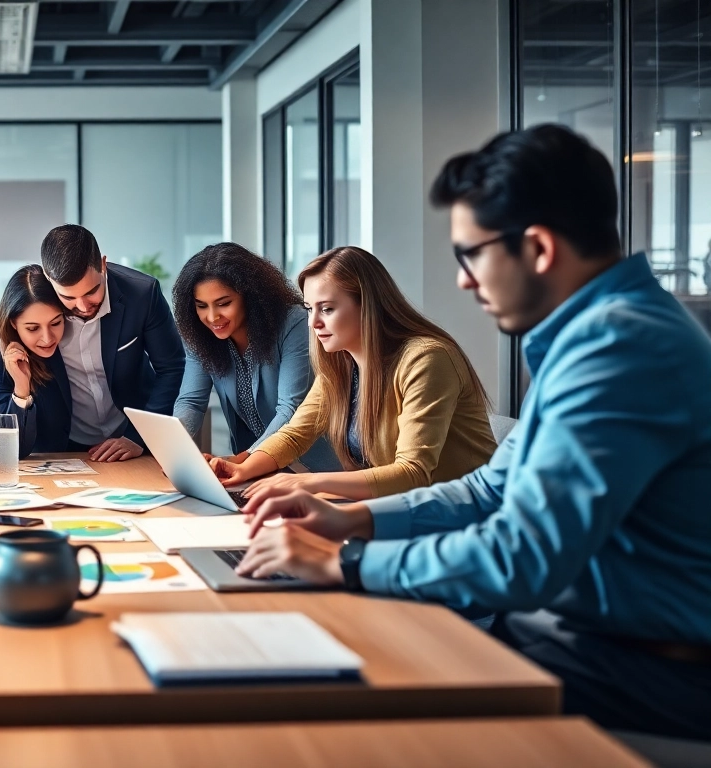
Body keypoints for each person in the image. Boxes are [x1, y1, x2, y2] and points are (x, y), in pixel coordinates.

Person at [234, 124, 711, 740]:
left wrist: (349, 563)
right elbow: (490, 490)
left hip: (638, 670)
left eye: (471, 253)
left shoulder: (619, 346)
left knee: (342, 702)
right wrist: (354, 521)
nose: (463, 279)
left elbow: (523, 556)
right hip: (584, 642)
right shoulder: (599, 334)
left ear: (536, 248)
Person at [210, 246, 496, 501]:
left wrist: (306, 484)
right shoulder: (343, 363)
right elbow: (295, 435)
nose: (313, 323)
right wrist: (242, 469)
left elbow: (413, 473)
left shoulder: (426, 359)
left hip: (467, 517)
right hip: (403, 511)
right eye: (310, 309)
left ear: (368, 306)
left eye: (328, 309)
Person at [171, 243, 339, 470]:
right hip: (255, 472)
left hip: (312, 468)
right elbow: (191, 401)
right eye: (202, 306)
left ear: (250, 296)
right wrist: (174, 452)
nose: (212, 317)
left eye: (224, 304)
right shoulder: (202, 335)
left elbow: (289, 408)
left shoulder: (295, 324)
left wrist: (244, 459)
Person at [39, 224, 185, 461]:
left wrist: (139, 437)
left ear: (103, 265)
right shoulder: (36, 305)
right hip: (62, 445)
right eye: (68, 297)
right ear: (48, 278)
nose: (83, 306)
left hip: (134, 439)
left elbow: (172, 368)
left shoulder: (142, 294)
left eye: (91, 291)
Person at [0, 266, 71, 457]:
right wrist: (21, 388)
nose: (48, 338)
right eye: (33, 328)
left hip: (102, 456)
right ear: (13, 323)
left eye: (56, 323)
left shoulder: (75, 343)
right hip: (49, 464)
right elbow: (7, 451)